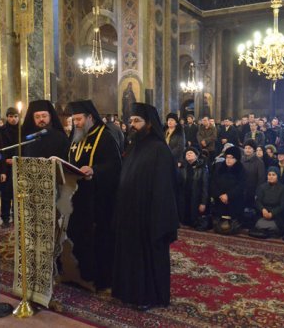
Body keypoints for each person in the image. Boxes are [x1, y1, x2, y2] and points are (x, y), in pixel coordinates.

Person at [112, 102, 179, 310]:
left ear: (149, 124)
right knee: (131, 255)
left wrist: (156, 218)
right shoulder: (133, 147)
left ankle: (149, 296)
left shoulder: (160, 150)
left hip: (149, 216)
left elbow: (164, 189)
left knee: (148, 257)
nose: (132, 125)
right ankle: (129, 292)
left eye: (137, 121)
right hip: (130, 213)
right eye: (130, 120)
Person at [67, 100, 122, 291]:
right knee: (78, 234)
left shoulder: (106, 136)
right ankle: (81, 273)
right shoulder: (75, 136)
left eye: (79, 119)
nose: (77, 124)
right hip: (76, 198)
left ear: (90, 117)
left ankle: (101, 277)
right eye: (74, 120)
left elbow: (115, 166)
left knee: (98, 238)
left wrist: (94, 170)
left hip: (99, 199)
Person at [210, 146, 246, 232]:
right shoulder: (219, 168)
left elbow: (240, 186)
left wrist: (228, 196)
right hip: (220, 199)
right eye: (227, 157)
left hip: (234, 200)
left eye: (231, 157)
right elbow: (213, 183)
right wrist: (220, 195)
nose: (228, 160)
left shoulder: (241, 169)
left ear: (236, 159)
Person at [249, 166, 284, 238]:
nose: (271, 177)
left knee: (275, 225)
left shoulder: (283, 189)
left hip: (276, 215)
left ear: (277, 176)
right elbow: (257, 202)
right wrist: (263, 210)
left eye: (273, 175)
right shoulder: (262, 187)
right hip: (263, 214)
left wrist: (272, 213)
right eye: (269, 175)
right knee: (257, 223)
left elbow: (282, 205)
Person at [0, 107, 19, 227]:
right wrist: (4, 160)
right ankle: (5, 218)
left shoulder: (22, 130)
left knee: (17, 193)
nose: (13, 119)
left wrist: (16, 159)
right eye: (11, 116)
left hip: (19, 165)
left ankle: (16, 217)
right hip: (5, 167)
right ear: (7, 117)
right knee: (6, 194)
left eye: (16, 116)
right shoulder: (0, 131)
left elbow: (25, 148)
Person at [178, 147, 209, 228]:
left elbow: (205, 186)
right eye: (187, 153)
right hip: (183, 199)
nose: (188, 154)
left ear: (196, 156)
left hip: (195, 198)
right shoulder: (182, 168)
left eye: (191, 153)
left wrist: (203, 203)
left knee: (194, 222)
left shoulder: (202, 168)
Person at [241, 139, 265, 219]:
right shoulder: (241, 160)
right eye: (246, 148)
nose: (247, 150)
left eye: (249, 148)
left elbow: (261, 179)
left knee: (250, 212)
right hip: (242, 190)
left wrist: (257, 193)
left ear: (253, 149)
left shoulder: (259, 162)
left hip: (253, 191)